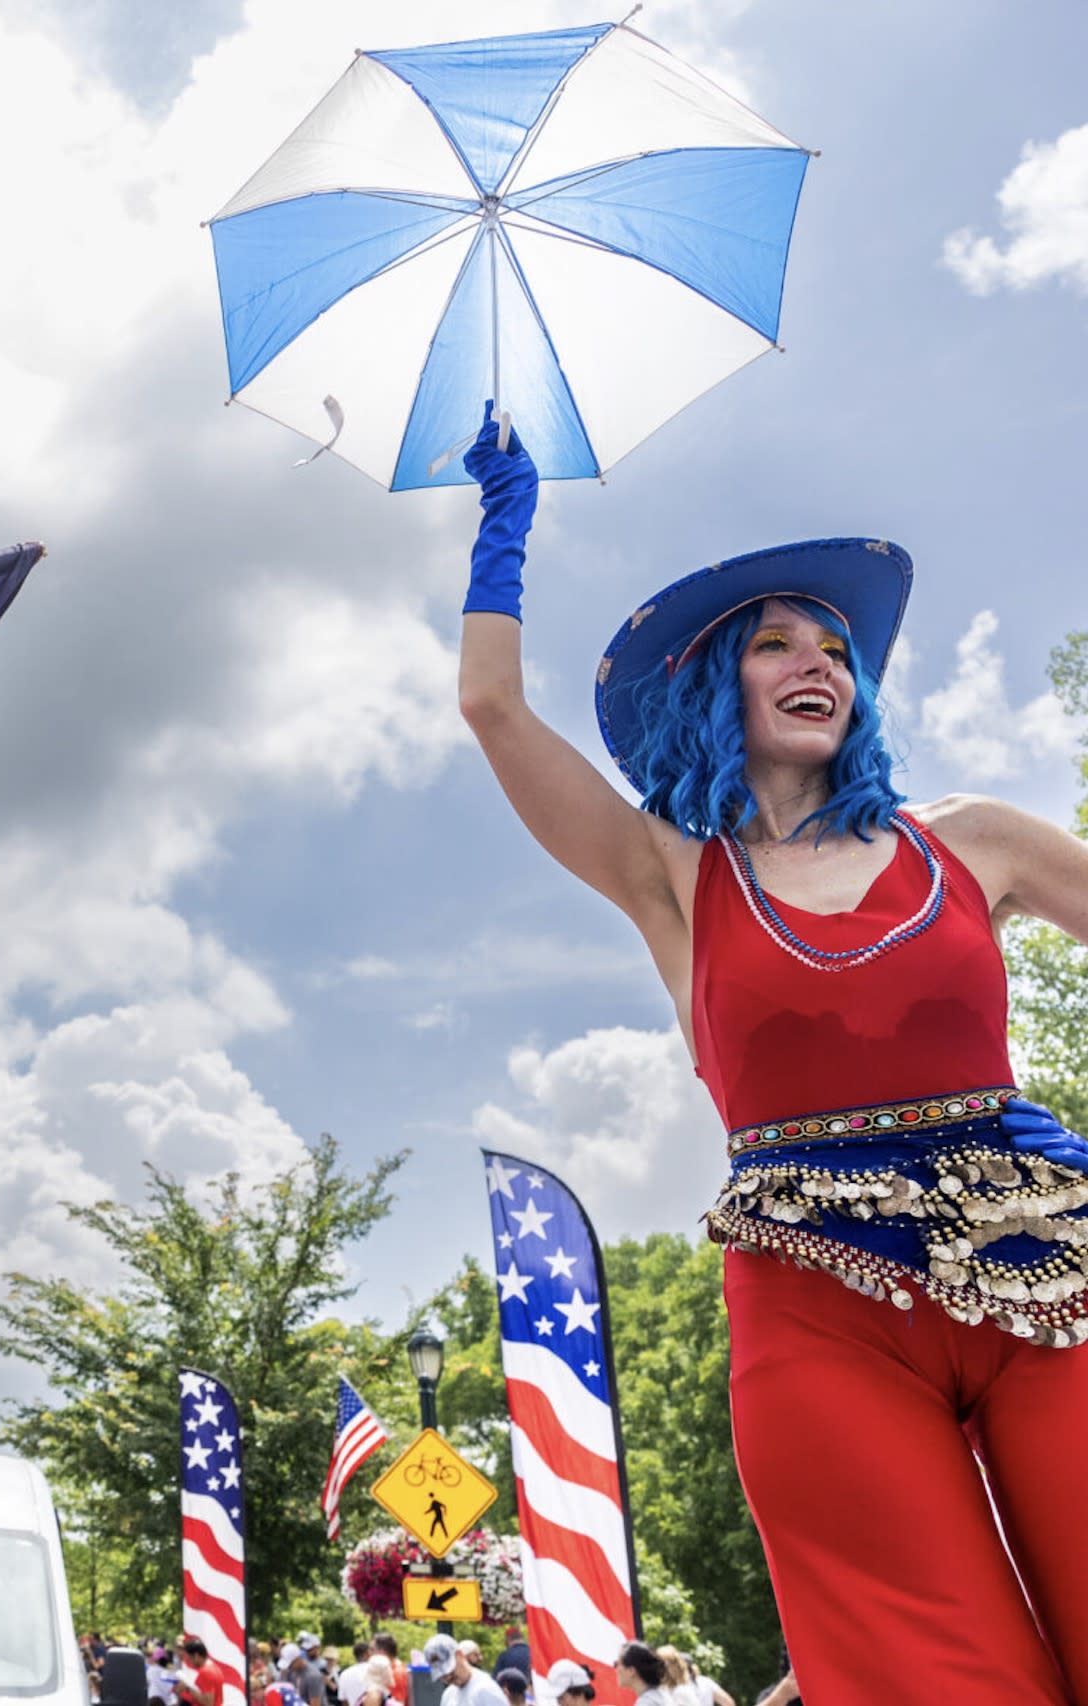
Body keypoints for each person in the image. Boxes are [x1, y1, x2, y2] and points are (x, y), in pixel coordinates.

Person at [456, 406, 1088, 1704]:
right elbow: (492, 706)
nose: (817, 660)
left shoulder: (974, 842)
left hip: (1051, 1267)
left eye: (835, 646)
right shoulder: (670, 877)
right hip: (816, 1308)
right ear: (712, 683)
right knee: (944, 1679)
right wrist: (504, 528)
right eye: (776, 641)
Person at [424, 1635, 507, 1706]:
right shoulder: (448, 1695)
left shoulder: (485, 1689)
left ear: (460, 1655)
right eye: (442, 1675)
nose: (448, 1677)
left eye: (450, 1670)